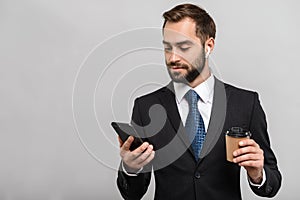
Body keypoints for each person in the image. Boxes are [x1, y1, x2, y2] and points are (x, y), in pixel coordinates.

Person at [116, 3, 281, 200]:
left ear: (208, 46)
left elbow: (272, 184)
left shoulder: (246, 103)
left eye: (184, 47)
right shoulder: (145, 107)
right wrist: (130, 168)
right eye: (167, 48)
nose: (172, 57)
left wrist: (258, 174)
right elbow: (132, 193)